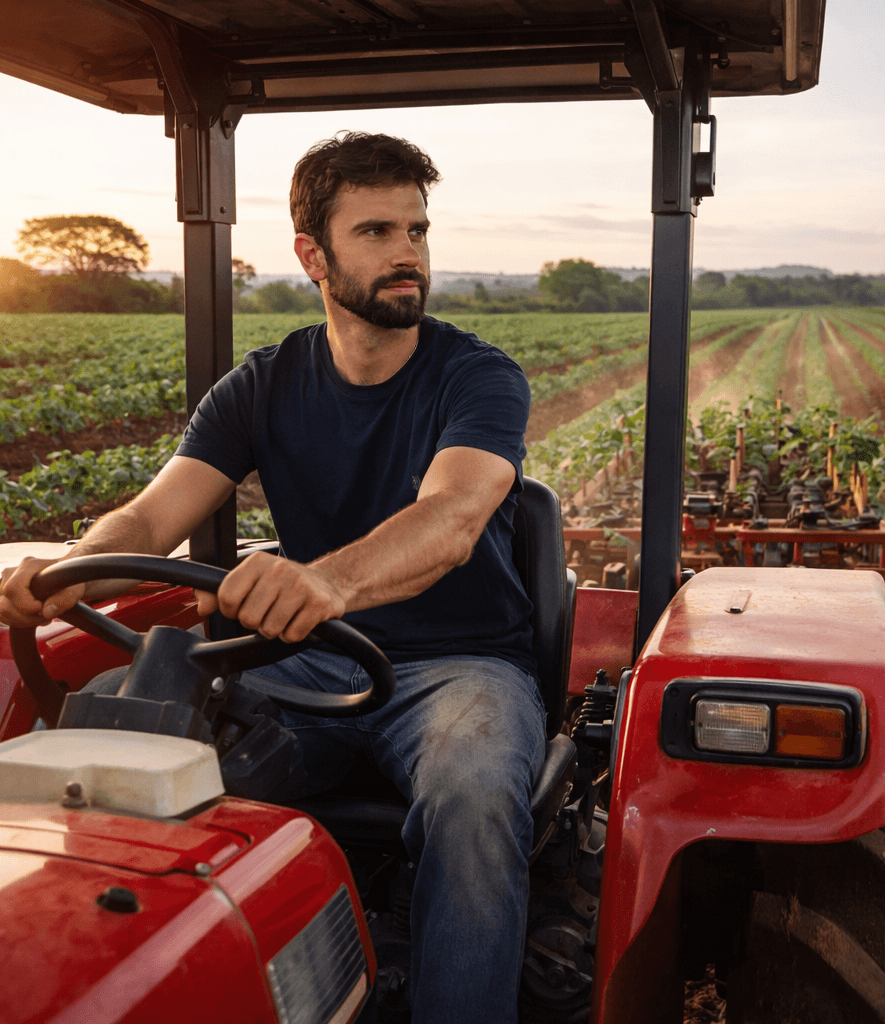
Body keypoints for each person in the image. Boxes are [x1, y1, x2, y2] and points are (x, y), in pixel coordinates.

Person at [0, 131, 545, 1024]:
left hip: (463, 667)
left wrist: (323, 582)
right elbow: (147, 519)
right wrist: (68, 572)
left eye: (417, 229)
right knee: (117, 724)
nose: (408, 253)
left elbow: (451, 520)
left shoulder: (478, 377)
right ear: (313, 257)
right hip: (307, 662)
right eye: (377, 232)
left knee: (476, 792)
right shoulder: (262, 384)